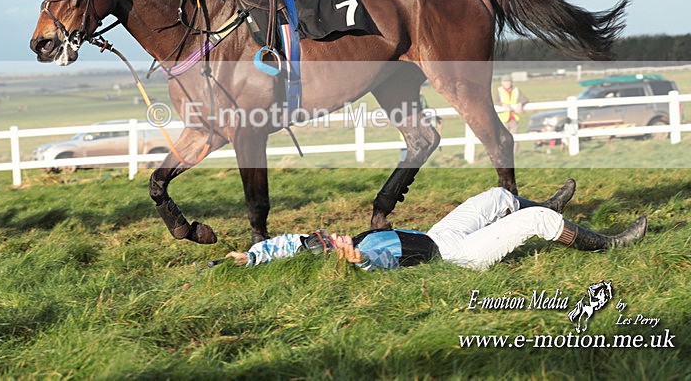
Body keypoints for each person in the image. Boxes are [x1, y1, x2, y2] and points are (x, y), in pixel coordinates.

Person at [224, 180, 647, 271]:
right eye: (328, 241)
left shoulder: (330, 247)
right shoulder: (362, 258)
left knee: (498, 196)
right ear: (334, 255)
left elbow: (286, 244)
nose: (331, 234)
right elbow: (375, 265)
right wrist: (357, 262)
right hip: (456, 257)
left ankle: (552, 206)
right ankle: (610, 244)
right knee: (534, 221)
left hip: (437, 235)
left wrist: (250, 256)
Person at [496, 74, 528, 152]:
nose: (507, 83)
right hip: (503, 118)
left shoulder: (516, 90)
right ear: (502, 83)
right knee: (503, 137)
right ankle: (504, 153)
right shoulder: (499, 91)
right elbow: (495, 101)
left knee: (515, 137)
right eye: (505, 82)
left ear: (511, 82)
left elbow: (525, 99)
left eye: (508, 81)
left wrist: (520, 103)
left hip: (514, 117)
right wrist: (502, 104)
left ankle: (514, 153)